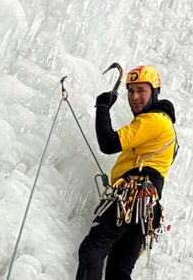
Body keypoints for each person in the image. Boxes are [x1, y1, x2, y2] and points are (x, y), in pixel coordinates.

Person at [76, 65, 177, 280]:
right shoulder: (164, 125)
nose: (135, 97)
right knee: (118, 269)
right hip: (145, 208)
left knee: (93, 247)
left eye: (141, 90)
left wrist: (102, 107)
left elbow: (109, 143)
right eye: (131, 91)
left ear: (154, 92)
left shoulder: (154, 119)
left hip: (131, 196)